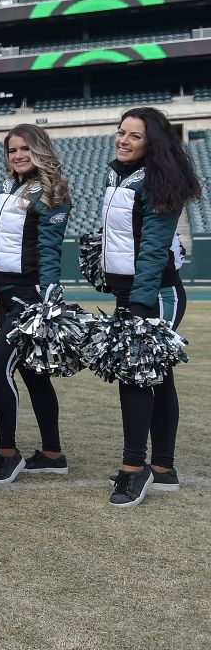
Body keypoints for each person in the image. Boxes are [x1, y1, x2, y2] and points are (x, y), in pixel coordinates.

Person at [101, 107, 201, 507]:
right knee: (159, 378)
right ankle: (163, 468)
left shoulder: (158, 182)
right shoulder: (120, 175)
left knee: (136, 374)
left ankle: (133, 468)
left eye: (134, 136)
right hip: (134, 293)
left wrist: (139, 307)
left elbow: (154, 250)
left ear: (152, 143)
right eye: (121, 132)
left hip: (156, 294)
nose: (123, 140)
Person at [0, 124, 73, 484]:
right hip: (5, 293)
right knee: (33, 374)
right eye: (12, 150)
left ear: (40, 151)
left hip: (29, 298)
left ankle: (8, 451)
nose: (18, 155)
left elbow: (49, 253)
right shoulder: (13, 187)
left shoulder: (49, 193)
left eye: (25, 149)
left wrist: (47, 304)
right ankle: (53, 454)